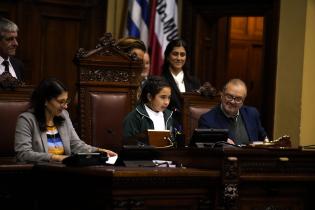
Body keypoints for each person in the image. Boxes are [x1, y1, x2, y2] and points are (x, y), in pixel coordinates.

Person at [15, 78, 117, 163]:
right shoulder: (26, 120)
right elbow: (23, 154)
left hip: (65, 172)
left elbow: (76, 145)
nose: (66, 106)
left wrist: (100, 151)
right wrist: (57, 158)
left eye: (66, 101)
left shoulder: (64, 116)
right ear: (46, 100)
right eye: (61, 102)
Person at [198, 78, 268, 145]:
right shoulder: (207, 120)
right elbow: (204, 147)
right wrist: (221, 141)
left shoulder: (252, 114)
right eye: (229, 96)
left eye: (238, 99)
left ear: (243, 101)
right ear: (222, 95)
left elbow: (264, 138)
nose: (232, 101)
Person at [123, 76, 174, 145]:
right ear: (149, 97)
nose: (167, 102)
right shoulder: (134, 117)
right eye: (163, 97)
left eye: (169, 98)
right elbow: (127, 143)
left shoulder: (169, 115)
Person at [161, 38, 200, 123]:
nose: (179, 58)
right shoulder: (160, 81)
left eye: (182, 55)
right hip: (168, 126)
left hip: (190, 127)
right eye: (175, 54)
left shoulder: (194, 82)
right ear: (167, 56)